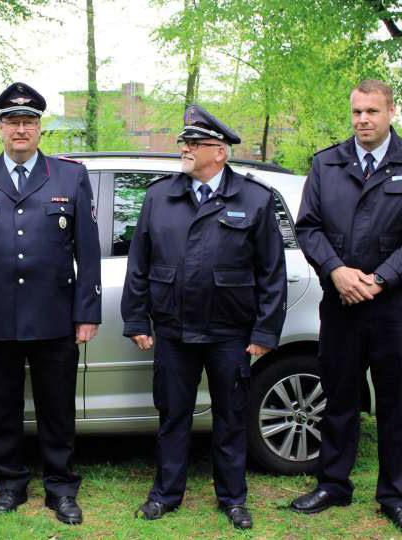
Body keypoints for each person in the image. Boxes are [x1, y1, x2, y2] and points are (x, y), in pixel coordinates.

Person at [0, 82, 101, 525]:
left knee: (57, 408)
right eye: (12, 121)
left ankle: (61, 488)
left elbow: (88, 252)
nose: (20, 129)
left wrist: (87, 312)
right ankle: (9, 485)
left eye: (29, 121)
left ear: (40, 128)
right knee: (0, 408)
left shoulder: (69, 176)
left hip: (54, 314)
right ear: (0, 127)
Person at [121, 105, 287, 530]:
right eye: (184, 142)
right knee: (172, 416)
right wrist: (136, 319)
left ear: (220, 152)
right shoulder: (160, 196)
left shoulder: (254, 198)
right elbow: (139, 263)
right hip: (173, 328)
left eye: (195, 143)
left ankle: (233, 498)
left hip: (230, 331)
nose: (185, 149)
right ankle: (165, 494)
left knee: (231, 417)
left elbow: (271, 271)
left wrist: (265, 330)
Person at [291, 79, 402, 530]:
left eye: (372, 111)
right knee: (338, 397)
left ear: (391, 111)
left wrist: (381, 279)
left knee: (395, 402)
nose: (363, 120)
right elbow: (308, 227)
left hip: (393, 307)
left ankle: (394, 493)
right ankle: (333, 484)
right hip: (341, 305)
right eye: (357, 112)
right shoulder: (327, 164)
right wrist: (336, 270)